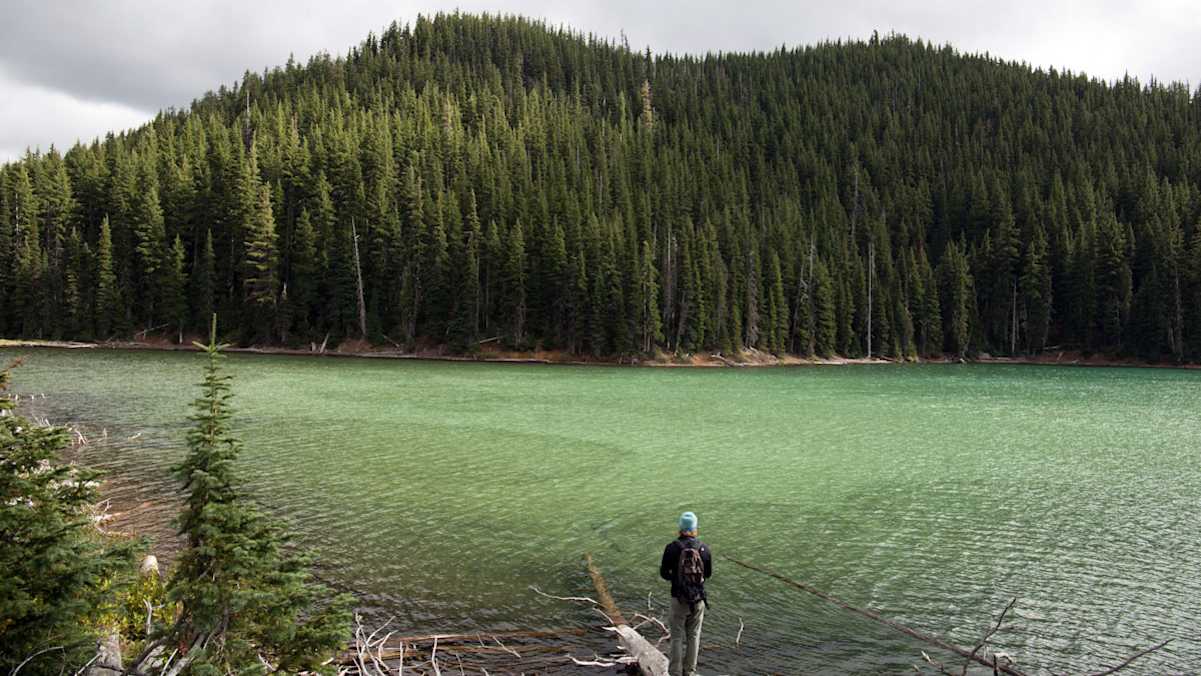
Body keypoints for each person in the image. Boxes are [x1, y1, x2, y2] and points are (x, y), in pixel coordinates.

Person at [659, 511, 712, 676]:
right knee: (693, 636)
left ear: (680, 528)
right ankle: (689, 672)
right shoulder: (704, 548)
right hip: (698, 599)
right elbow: (708, 574)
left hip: (678, 599)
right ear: (695, 528)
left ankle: (674, 672)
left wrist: (676, 579)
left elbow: (663, 573)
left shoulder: (672, 548)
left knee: (676, 637)